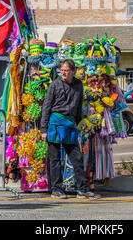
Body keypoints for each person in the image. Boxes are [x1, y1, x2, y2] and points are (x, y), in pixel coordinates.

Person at [41, 59, 100, 200]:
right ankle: (56, 189)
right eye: (62, 70)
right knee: (54, 160)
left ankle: (82, 190)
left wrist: (81, 125)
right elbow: (46, 107)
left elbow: (79, 106)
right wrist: (43, 129)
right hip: (55, 124)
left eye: (66, 71)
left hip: (70, 125)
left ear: (73, 71)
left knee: (77, 158)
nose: (63, 73)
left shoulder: (79, 85)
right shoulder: (54, 85)